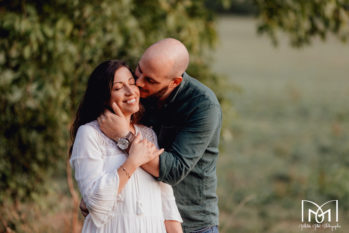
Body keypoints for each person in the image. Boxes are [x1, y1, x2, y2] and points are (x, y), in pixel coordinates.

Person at [87, 38, 222, 233]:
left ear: (175, 82)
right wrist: (93, 191)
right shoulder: (137, 92)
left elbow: (173, 170)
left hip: (192, 223)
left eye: (150, 80)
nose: (139, 84)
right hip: (144, 221)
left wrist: (123, 137)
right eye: (139, 70)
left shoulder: (203, 106)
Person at [69, 60, 183, 233]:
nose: (130, 92)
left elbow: (167, 203)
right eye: (118, 88)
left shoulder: (148, 134)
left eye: (131, 83)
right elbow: (95, 202)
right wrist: (133, 161)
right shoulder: (89, 134)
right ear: (103, 96)